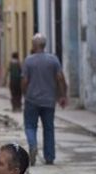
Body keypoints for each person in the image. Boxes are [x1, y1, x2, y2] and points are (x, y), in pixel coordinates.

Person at [21, 33, 67, 166]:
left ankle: (33, 145)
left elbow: (24, 81)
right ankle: (49, 156)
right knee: (48, 128)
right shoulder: (53, 60)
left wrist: (25, 94)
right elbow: (60, 78)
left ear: (34, 45)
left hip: (32, 100)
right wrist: (62, 95)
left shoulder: (29, 60)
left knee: (30, 126)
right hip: (49, 101)